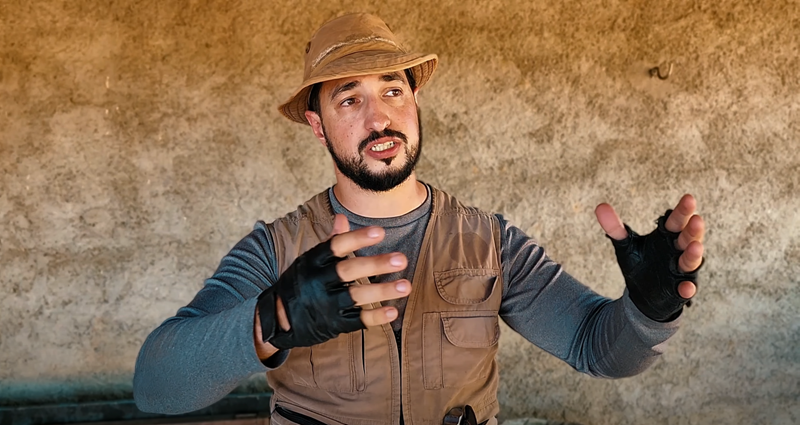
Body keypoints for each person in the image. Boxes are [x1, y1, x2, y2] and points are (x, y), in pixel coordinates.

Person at [133, 13, 705, 425]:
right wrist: (273, 317)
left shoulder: (490, 241)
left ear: (415, 101)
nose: (379, 118)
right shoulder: (273, 250)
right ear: (317, 125)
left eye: (392, 90)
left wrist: (649, 312)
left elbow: (598, 349)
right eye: (349, 100)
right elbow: (157, 387)